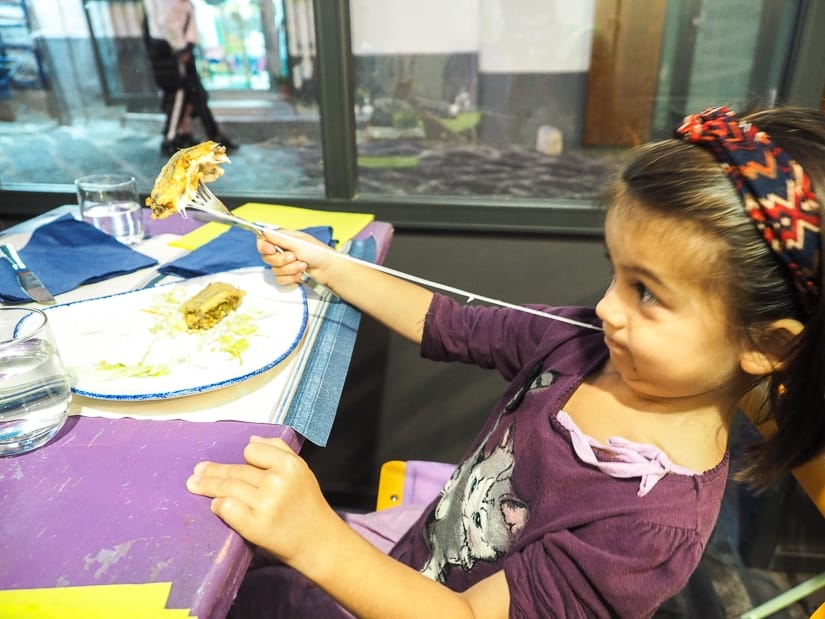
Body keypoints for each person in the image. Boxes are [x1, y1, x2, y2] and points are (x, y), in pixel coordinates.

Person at [185, 105, 825, 617]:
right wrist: (333, 267)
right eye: (617, 274)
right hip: (408, 563)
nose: (606, 306)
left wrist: (315, 539)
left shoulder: (649, 530)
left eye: (647, 292)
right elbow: (448, 322)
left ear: (766, 347)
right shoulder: (584, 344)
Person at [142, 0, 238, 156]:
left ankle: (198, 135)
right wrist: (181, 49)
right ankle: (171, 139)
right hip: (173, 50)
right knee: (180, 95)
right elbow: (167, 21)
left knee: (195, 95)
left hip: (174, 48)